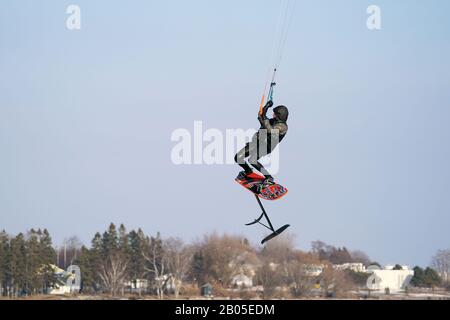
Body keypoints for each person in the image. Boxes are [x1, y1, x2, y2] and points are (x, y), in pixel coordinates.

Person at [234, 100, 289, 183]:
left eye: (274, 113)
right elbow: (261, 117)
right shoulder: (272, 121)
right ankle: (248, 171)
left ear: (279, 115)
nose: (273, 114)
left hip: (266, 146)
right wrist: (266, 107)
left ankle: (269, 177)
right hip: (257, 142)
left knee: (252, 160)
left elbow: (270, 129)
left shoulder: (283, 127)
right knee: (238, 157)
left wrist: (265, 118)